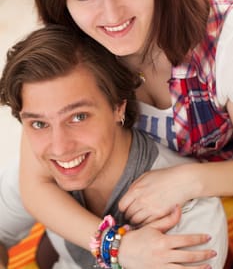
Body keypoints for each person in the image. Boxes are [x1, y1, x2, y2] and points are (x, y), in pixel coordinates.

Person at [0, 25, 226, 269]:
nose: (60, 147)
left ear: (118, 106)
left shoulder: (190, 220)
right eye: (39, 123)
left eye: (78, 117)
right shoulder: (42, 171)